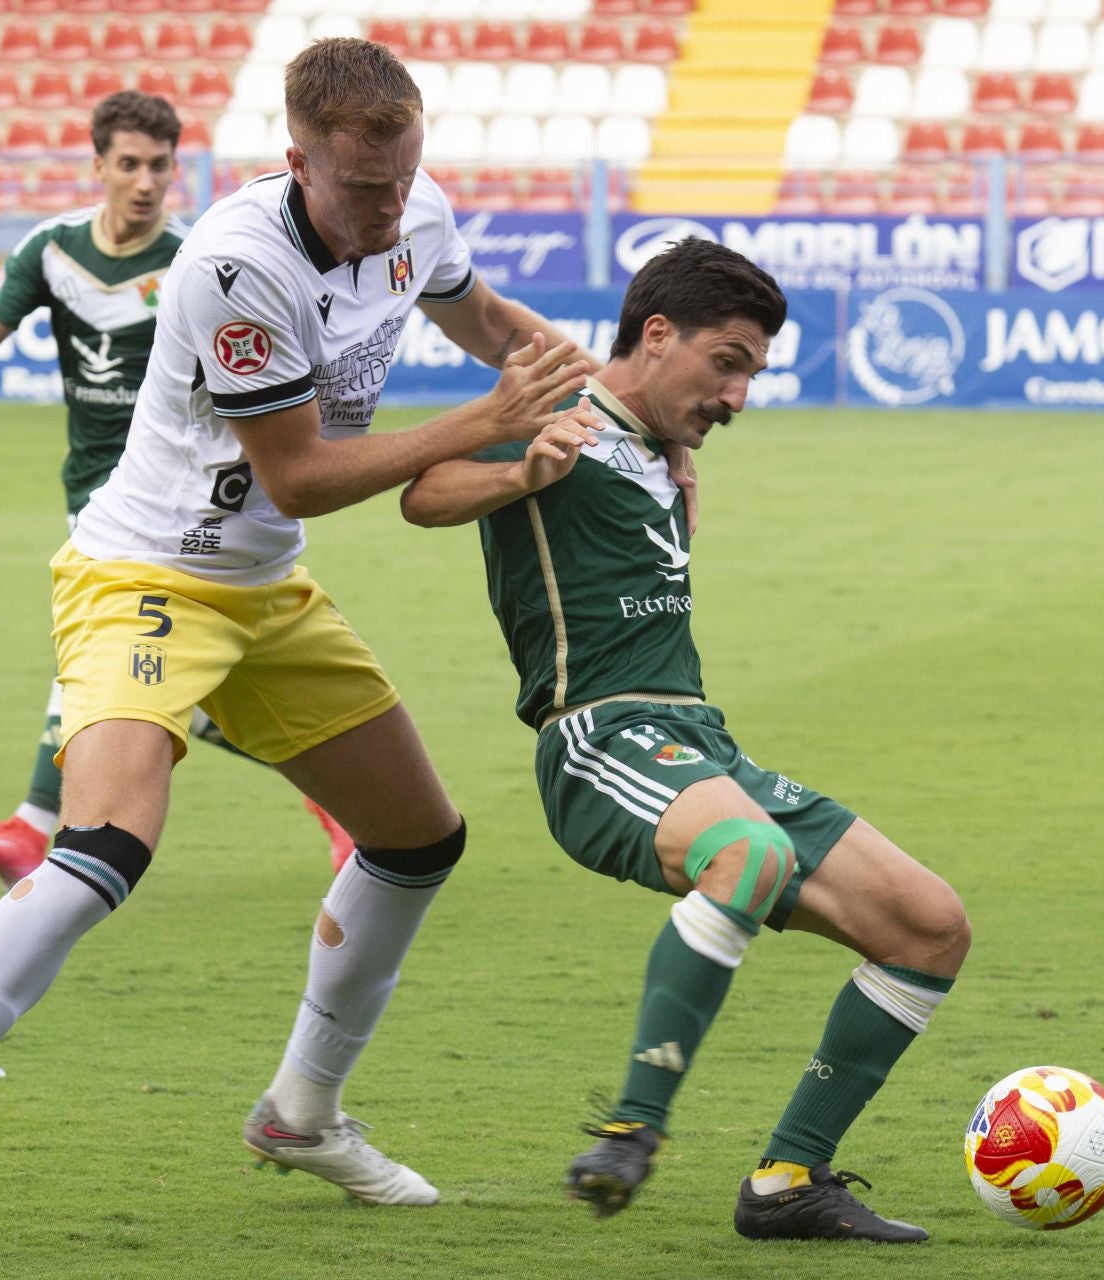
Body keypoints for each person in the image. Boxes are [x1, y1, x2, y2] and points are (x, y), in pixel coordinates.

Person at [0, 38, 593, 1257]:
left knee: (417, 839)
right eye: (363, 187)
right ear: (298, 161)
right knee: (107, 845)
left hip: (264, 585)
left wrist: (605, 404)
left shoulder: (414, 207)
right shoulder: (235, 265)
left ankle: (302, 1111)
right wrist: (486, 422)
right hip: (145, 574)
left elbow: (487, 317)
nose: (390, 208)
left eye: (403, 179)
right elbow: (302, 470)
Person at [398, 238, 971, 1242]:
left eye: (751, 371)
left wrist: (677, 447)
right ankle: (631, 1127)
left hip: (699, 738)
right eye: (730, 362)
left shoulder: (656, 438)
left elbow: (650, 427)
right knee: (746, 855)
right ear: (658, 335)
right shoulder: (554, 420)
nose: (740, 395)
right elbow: (423, 491)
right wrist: (519, 473)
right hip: (598, 737)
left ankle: (789, 1178)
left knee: (928, 924)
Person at [0, 91, 352, 883]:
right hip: (96, 489)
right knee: (171, 688)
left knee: (117, 670)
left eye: (160, 167)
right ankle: (343, 799)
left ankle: (35, 829)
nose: (145, 182)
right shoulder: (54, 249)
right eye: (129, 165)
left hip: (181, 494)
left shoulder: (197, 259)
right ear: (98, 166)